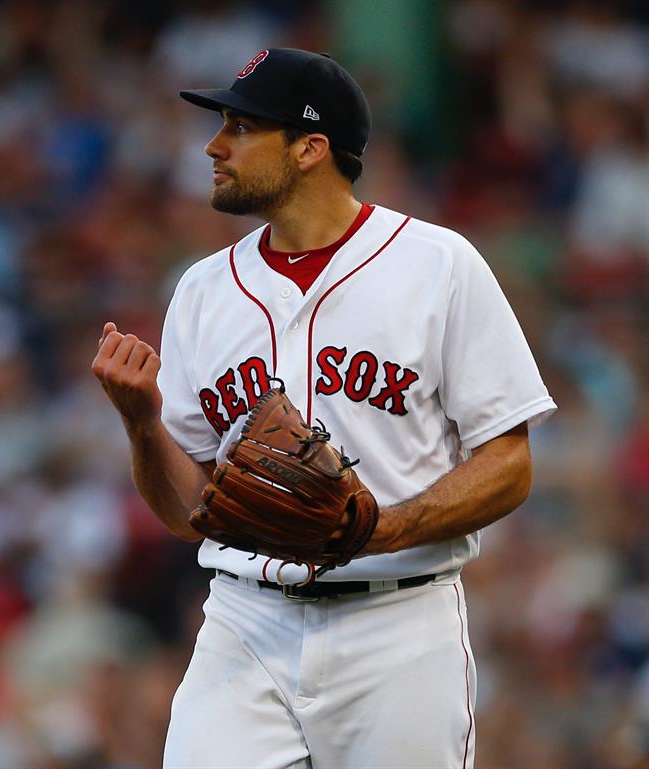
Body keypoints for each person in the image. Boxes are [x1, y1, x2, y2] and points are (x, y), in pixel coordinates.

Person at [92, 48, 557, 769]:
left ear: (311, 148)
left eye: (241, 127)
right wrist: (142, 423)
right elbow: (189, 515)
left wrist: (380, 528)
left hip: (399, 623)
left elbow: (510, 462)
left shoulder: (438, 265)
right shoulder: (203, 290)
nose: (214, 146)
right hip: (246, 619)